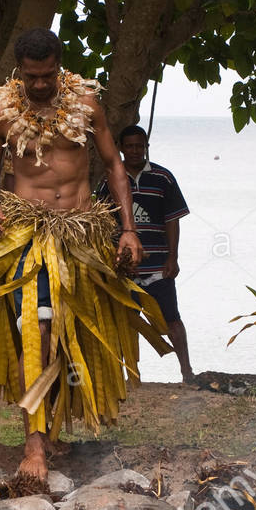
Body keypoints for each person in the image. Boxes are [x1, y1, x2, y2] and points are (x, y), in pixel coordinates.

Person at [0, 29, 172, 483]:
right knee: (38, 327)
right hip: (29, 233)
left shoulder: (86, 105)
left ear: (59, 66)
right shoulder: (2, 114)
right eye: (32, 77)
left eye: (48, 75)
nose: (41, 85)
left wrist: (128, 229)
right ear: (19, 70)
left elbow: (113, 166)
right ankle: (33, 442)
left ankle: (50, 429)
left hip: (82, 234)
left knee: (73, 335)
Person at [97, 125, 194, 382]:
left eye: (140, 146)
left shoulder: (163, 178)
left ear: (146, 147)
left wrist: (173, 257)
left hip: (158, 266)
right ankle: (129, 376)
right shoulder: (109, 182)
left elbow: (173, 220)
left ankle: (187, 371)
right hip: (124, 267)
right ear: (120, 148)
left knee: (172, 319)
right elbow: (102, 224)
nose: (135, 151)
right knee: (125, 321)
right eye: (129, 146)